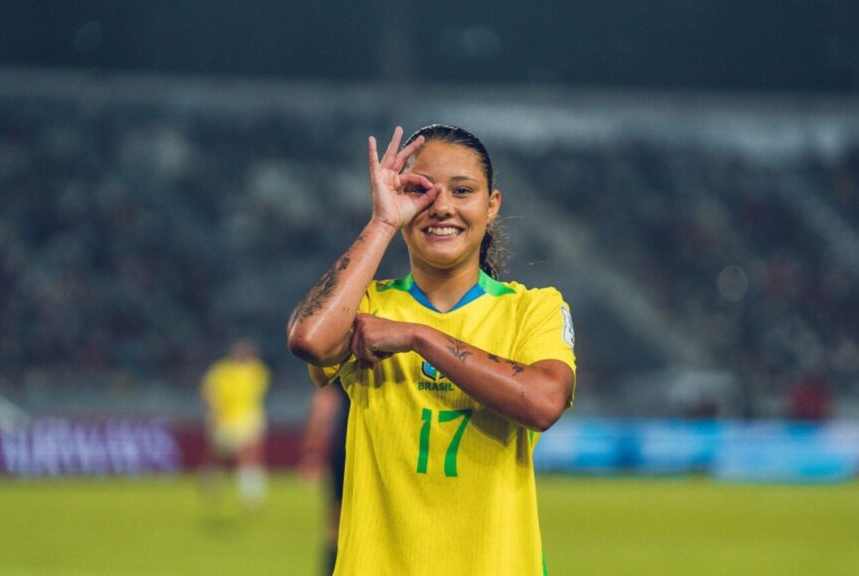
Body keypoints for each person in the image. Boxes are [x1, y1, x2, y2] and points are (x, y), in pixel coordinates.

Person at [287, 124, 577, 575]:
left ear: (492, 204)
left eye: (463, 191)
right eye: (421, 191)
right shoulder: (369, 305)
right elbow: (309, 339)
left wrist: (419, 337)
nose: (442, 207)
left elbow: (543, 401)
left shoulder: (533, 309)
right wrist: (383, 221)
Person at [200, 338, 271, 508]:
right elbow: (209, 393)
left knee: (250, 455)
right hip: (225, 420)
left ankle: (251, 496)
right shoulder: (221, 371)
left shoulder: (257, 370)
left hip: (249, 418)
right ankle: (210, 479)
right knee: (218, 457)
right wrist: (216, 411)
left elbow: (257, 392)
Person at [297, 383, 349, 575]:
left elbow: (323, 405)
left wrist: (312, 452)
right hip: (406, 450)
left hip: (353, 450)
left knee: (338, 524)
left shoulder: (349, 353)